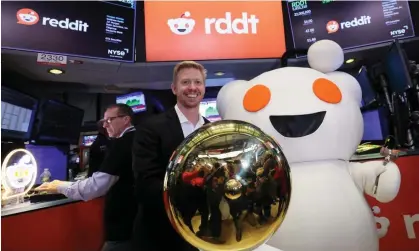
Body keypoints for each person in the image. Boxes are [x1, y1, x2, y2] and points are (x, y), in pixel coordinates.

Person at [35, 104, 137, 251]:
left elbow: (94, 188)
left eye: (109, 120)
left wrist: (58, 186)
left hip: (124, 227)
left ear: (126, 119)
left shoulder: (122, 145)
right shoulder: (136, 138)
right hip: (135, 223)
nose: (105, 125)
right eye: (104, 121)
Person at [132, 61, 211, 251]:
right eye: (185, 82)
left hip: (203, 233)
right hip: (160, 234)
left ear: (203, 88)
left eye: (197, 82)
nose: (192, 87)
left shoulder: (212, 130)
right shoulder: (150, 128)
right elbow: (146, 184)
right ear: (174, 88)